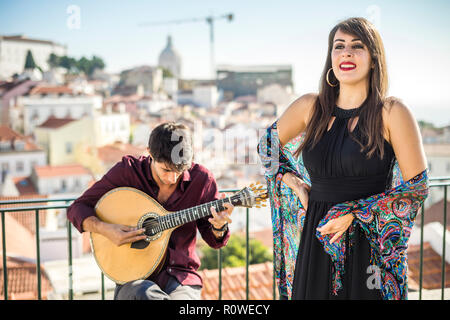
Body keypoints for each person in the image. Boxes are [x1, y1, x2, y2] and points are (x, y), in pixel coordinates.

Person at [258, 17, 428, 300]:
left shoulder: (393, 112)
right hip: (317, 240)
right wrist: (295, 182)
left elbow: (417, 187)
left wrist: (354, 214)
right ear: (331, 57)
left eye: (357, 46)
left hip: (369, 250)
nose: (346, 53)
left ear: (374, 59)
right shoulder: (309, 108)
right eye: (339, 46)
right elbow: (267, 145)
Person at [67, 122, 234, 300]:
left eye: (180, 170)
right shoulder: (128, 172)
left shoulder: (201, 179)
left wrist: (218, 227)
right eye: (166, 170)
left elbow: (214, 240)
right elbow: (77, 208)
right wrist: (106, 229)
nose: (172, 178)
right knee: (143, 293)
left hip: (181, 277)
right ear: (149, 153)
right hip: (133, 278)